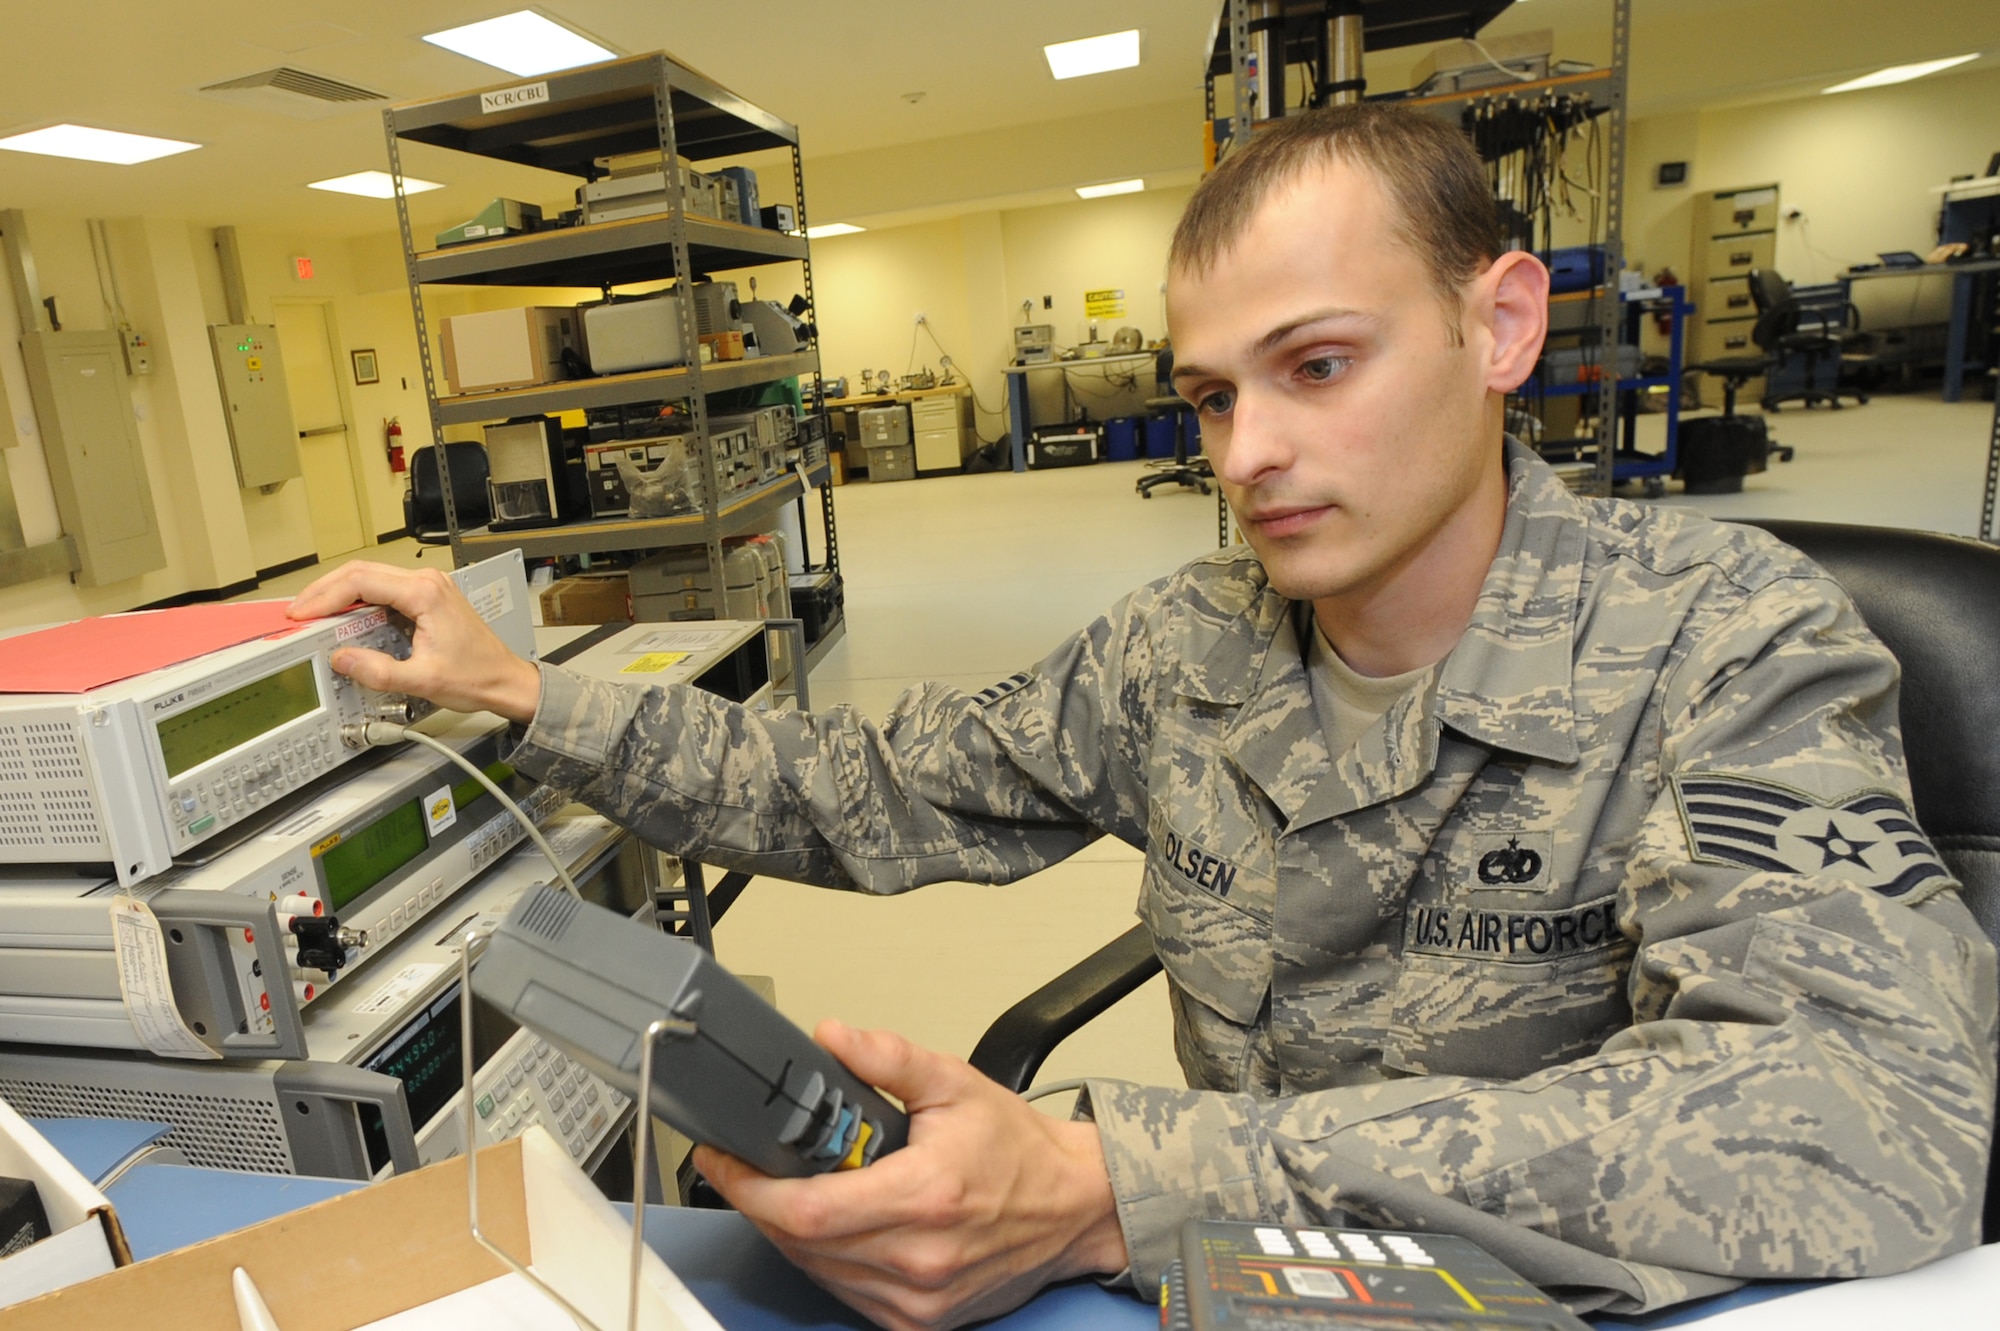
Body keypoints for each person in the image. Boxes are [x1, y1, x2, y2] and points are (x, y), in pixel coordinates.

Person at [291, 105, 1996, 1331]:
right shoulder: (1188, 646)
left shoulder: (1726, 639)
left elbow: (1858, 1119)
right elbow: (862, 783)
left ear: (1500, 325)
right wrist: (524, 694)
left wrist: (1119, 1183)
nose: (1248, 454)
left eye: (1317, 366)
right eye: (1211, 395)